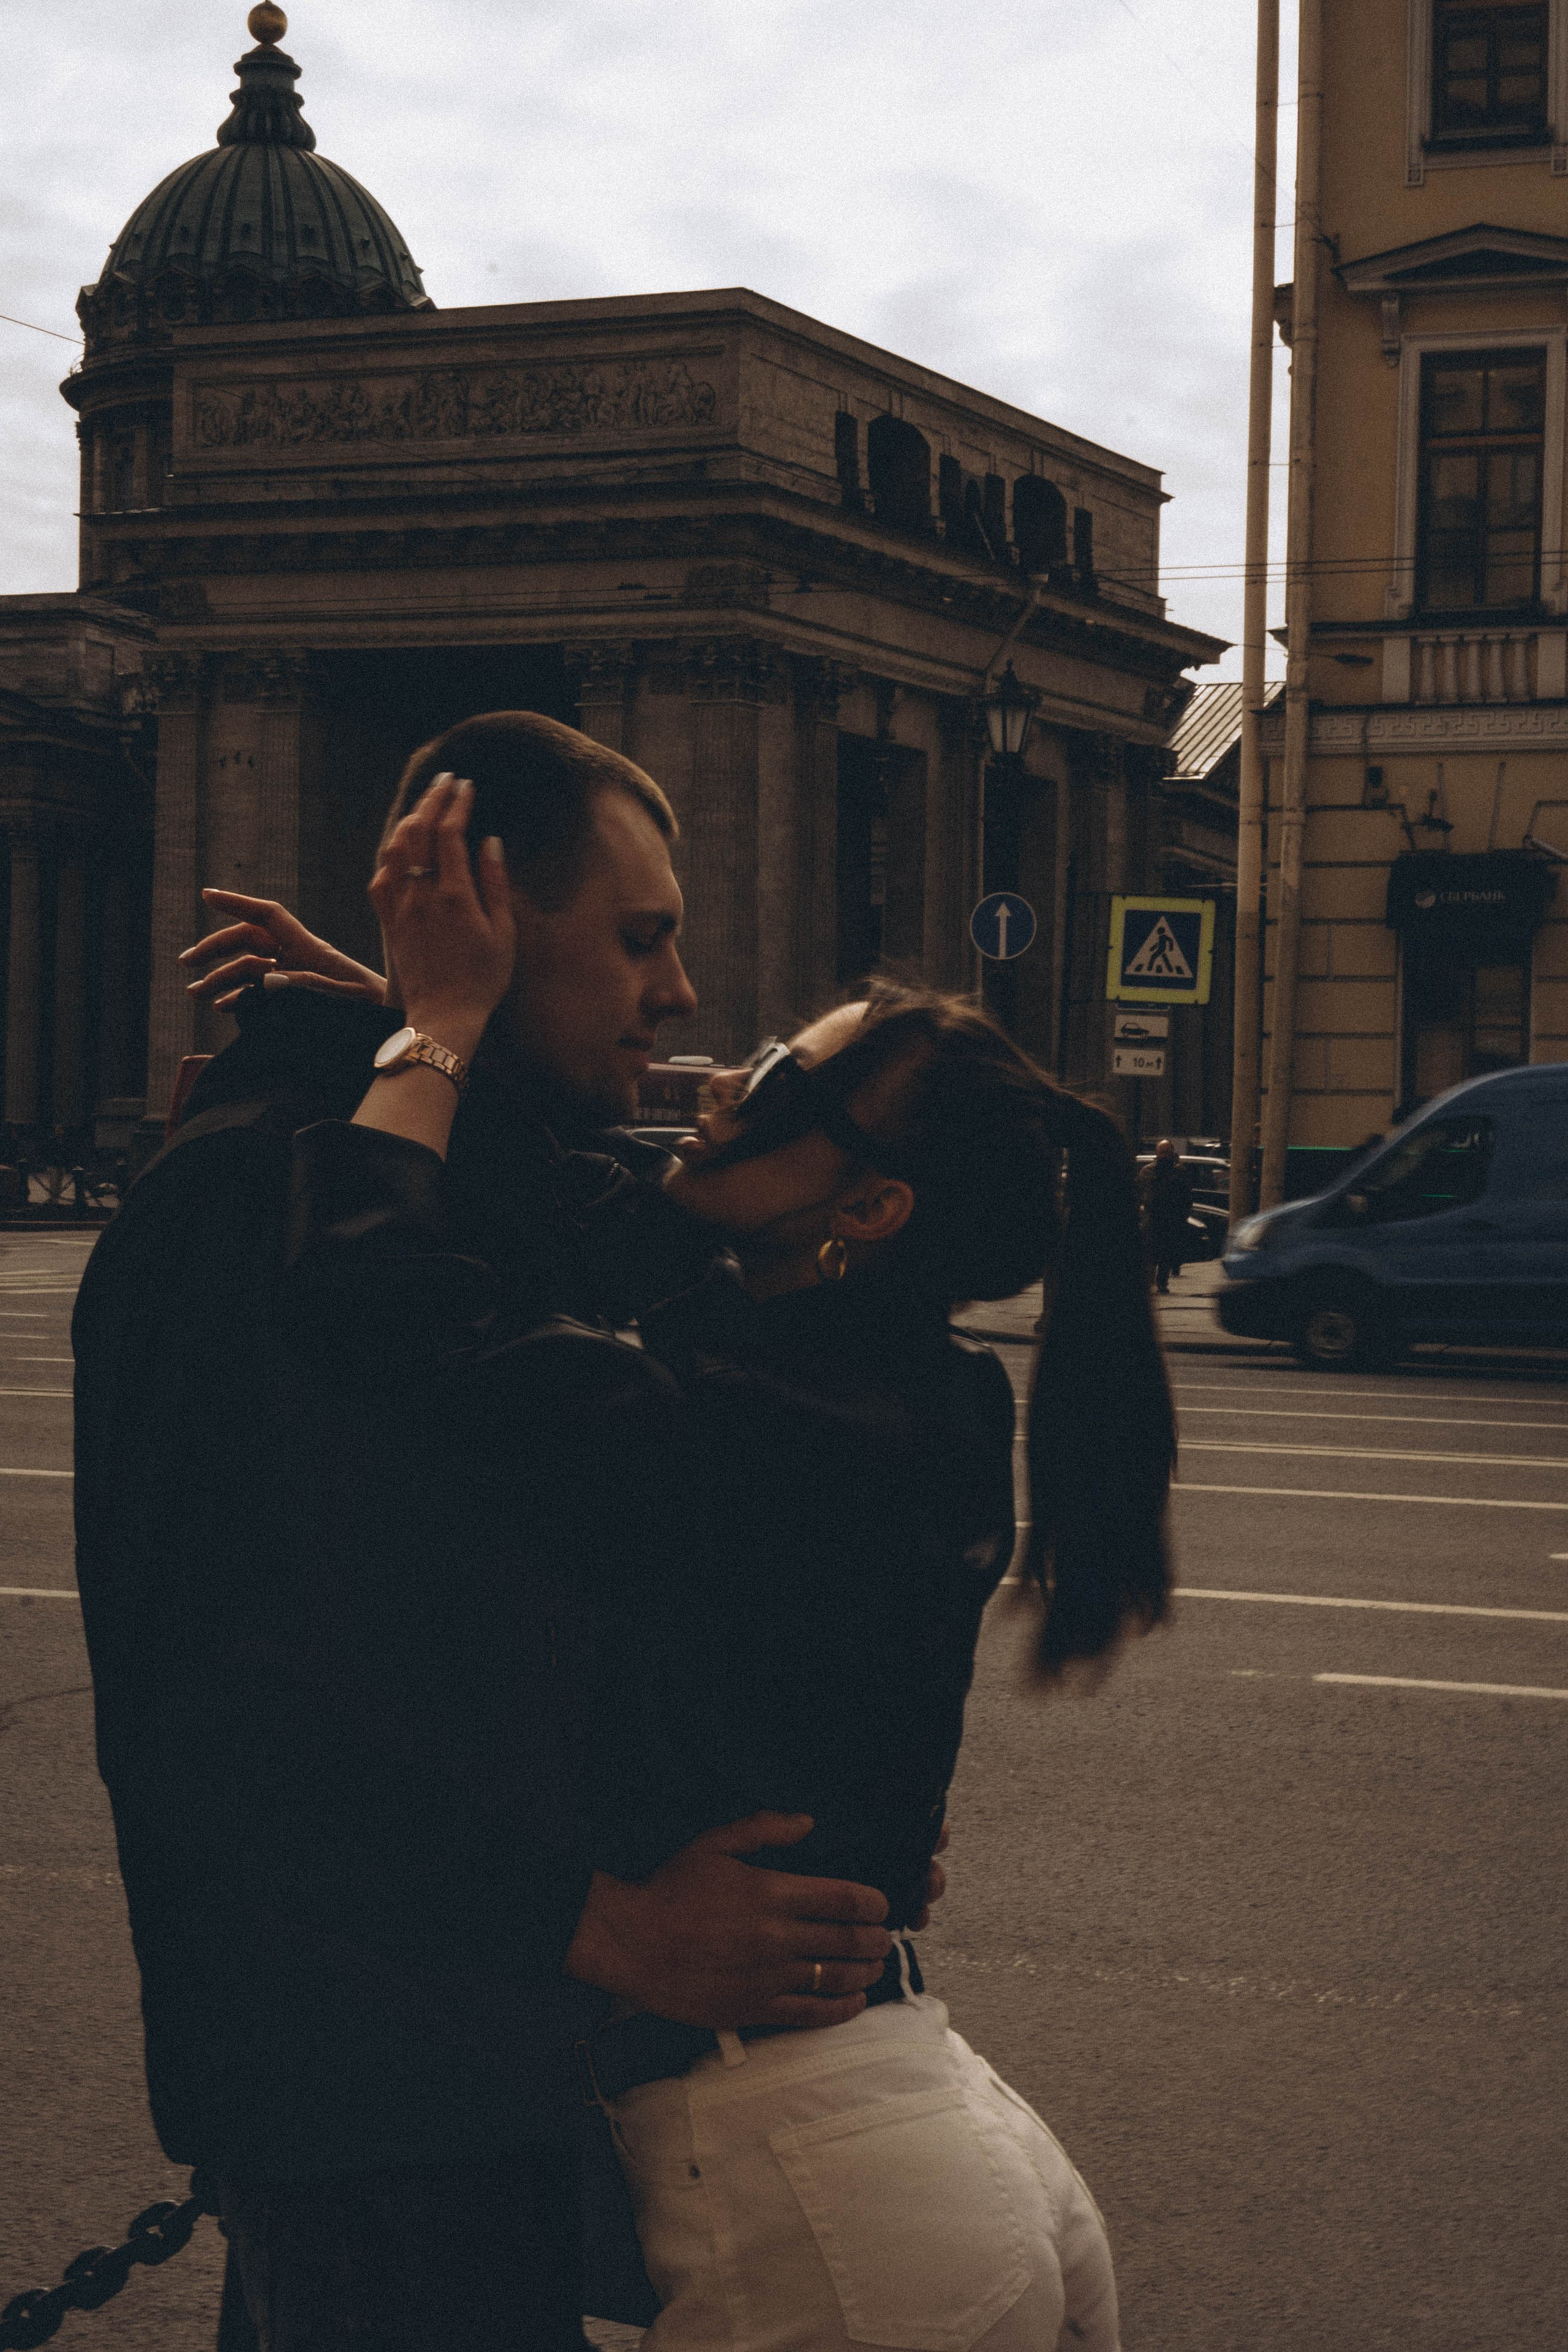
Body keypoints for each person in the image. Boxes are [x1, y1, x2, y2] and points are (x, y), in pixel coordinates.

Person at [267, 773, 1176, 2350]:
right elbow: (621, 1213)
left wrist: (427, 1037)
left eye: (773, 1078)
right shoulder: (905, 1380)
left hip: (830, 2191)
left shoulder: (750, 1418)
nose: (714, 1077)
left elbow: (382, 1303)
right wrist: (439, 1020)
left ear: (865, 1208)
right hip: (903, 2128)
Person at [74, 714, 908, 2352]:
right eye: (644, 938)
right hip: (368, 2083)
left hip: (491, 2060)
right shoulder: (245, 1205)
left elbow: (607, 1246)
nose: (678, 994)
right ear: (495, 919)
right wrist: (592, 1925)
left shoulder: (435, 1179)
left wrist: (407, 1026)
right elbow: (223, 1705)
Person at [1137, 1136, 1193, 1293]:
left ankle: (1162, 1283)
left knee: (1166, 1255)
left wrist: (1183, 1216)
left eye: (1167, 1152)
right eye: (1162, 1152)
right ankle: (1148, 1284)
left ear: (1172, 1153)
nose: (1165, 1156)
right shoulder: (1147, 1171)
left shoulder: (1180, 1172)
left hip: (1172, 1220)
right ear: (1156, 1153)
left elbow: (1186, 1197)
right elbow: (1142, 1193)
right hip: (1152, 1219)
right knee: (1150, 1254)